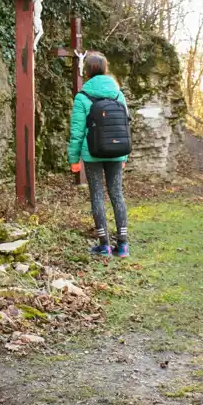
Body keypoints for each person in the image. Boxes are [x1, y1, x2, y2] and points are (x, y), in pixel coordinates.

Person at [68, 51, 130, 258]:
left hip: (92, 153)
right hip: (117, 151)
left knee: (97, 195)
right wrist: (124, 157)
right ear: (106, 69)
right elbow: (124, 125)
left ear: (86, 71)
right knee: (117, 194)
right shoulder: (117, 94)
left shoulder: (83, 96)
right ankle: (123, 246)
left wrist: (73, 159)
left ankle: (104, 245)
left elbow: (77, 132)